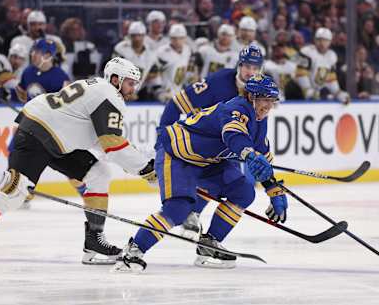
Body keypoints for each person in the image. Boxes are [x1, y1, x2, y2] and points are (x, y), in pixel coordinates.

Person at [113, 74, 288, 272]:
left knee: (244, 191)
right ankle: (133, 251)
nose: (268, 106)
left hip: (207, 161)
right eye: (265, 100)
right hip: (177, 154)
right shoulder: (236, 109)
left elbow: (263, 155)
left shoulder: (259, 120)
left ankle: (209, 245)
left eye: (272, 101)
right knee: (177, 209)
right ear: (251, 97)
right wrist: (248, 154)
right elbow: (234, 135)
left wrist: (274, 189)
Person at [0, 57, 157, 265]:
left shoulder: (97, 88)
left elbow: (102, 141)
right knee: (15, 192)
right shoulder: (109, 94)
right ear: (115, 79)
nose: (133, 89)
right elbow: (111, 143)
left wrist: (138, 165)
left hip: (54, 136)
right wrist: (144, 169)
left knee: (99, 173)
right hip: (40, 133)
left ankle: (93, 242)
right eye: (130, 83)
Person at [157, 44, 266, 240]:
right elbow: (177, 103)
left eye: (255, 68)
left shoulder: (258, 93)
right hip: (199, 138)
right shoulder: (218, 81)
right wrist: (161, 134)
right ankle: (189, 212)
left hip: (224, 145)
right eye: (247, 66)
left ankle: (200, 225)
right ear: (239, 65)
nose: (251, 72)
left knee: (233, 184)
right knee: (214, 178)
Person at [297, 27, 350, 104]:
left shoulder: (332, 55)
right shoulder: (306, 51)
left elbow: (331, 79)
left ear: (330, 42)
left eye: (325, 40)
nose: (322, 43)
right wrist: (308, 91)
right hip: (299, 92)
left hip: (318, 92)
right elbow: (300, 75)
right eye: (319, 40)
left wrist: (338, 93)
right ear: (314, 40)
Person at [15, 38, 70, 103]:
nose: (32, 54)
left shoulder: (61, 77)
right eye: (32, 51)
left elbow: (66, 103)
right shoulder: (27, 72)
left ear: (48, 55)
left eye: (37, 52)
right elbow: (21, 93)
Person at [113, 21, 157, 100]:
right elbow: (113, 72)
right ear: (129, 36)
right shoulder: (121, 48)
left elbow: (154, 74)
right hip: (118, 91)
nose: (137, 38)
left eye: (139, 35)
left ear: (144, 36)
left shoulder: (151, 53)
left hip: (140, 91)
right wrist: (124, 92)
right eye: (134, 35)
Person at [153, 24, 191, 102]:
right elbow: (154, 72)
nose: (177, 41)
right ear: (170, 38)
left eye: (180, 38)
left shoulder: (187, 50)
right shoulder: (162, 52)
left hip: (179, 93)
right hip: (164, 92)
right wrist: (159, 91)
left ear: (185, 38)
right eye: (174, 38)